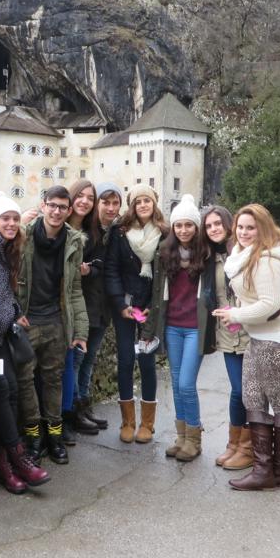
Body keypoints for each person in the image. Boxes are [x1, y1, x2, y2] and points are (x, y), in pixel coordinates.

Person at [214, 204, 280, 491]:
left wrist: (235, 315)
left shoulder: (266, 260)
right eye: (240, 227)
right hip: (260, 338)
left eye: (250, 228)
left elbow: (270, 303)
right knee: (253, 399)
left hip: (278, 340)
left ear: (263, 229)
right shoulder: (245, 256)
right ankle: (264, 469)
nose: (243, 233)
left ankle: (278, 471)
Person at [0, 192, 51, 494]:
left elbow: (6, 292)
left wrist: (14, 310)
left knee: (14, 391)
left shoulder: (9, 248)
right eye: (5, 218)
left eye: (15, 219)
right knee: (1, 389)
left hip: (2, 333)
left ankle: (4, 464)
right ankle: (18, 459)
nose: (11, 223)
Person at [15, 186, 89, 465]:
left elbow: (75, 289)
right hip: (27, 320)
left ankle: (55, 437)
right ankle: (34, 439)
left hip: (56, 320)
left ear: (69, 211)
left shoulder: (74, 241)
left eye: (62, 207)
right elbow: (4, 274)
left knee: (54, 380)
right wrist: (13, 313)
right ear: (43, 205)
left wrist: (80, 331)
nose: (56, 211)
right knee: (25, 382)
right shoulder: (23, 234)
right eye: (52, 205)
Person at [148, 195, 210, 462]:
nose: (184, 230)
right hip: (172, 326)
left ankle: (194, 439)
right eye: (179, 225)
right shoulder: (165, 253)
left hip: (195, 327)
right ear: (173, 227)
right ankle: (182, 437)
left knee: (186, 383)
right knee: (176, 383)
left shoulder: (207, 254)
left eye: (189, 225)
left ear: (196, 227)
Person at [104, 185, 168, 444]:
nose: (143, 205)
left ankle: (147, 424)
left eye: (147, 200)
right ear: (132, 205)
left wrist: (154, 306)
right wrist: (120, 303)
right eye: (138, 201)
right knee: (126, 360)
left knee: (147, 361)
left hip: (150, 306)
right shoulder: (120, 232)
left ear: (154, 204)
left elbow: (166, 274)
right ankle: (127, 422)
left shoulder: (164, 233)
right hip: (125, 305)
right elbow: (111, 269)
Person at [201, 205, 253, 471]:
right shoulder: (208, 257)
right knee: (237, 390)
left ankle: (248, 448)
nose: (214, 229)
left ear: (228, 223)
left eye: (217, 223)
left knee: (250, 391)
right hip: (228, 333)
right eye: (208, 226)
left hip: (252, 331)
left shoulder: (246, 252)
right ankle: (234, 445)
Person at [72, 182, 124, 432]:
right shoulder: (87, 230)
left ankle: (84, 404)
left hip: (103, 307)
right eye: (105, 202)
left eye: (115, 203)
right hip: (84, 305)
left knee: (88, 360)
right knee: (77, 360)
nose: (110, 208)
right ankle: (75, 410)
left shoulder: (115, 231)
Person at [60, 180, 103, 439]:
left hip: (83, 301)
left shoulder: (92, 233)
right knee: (71, 362)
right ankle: (71, 413)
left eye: (90, 198)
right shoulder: (57, 226)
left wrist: (90, 270)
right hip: (61, 304)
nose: (85, 201)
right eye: (81, 196)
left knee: (80, 360)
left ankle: (77, 409)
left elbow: (101, 265)